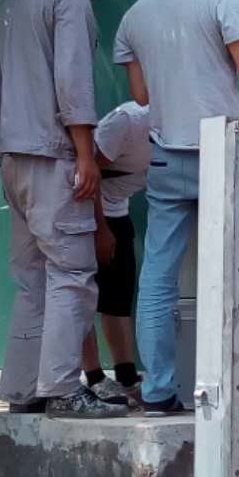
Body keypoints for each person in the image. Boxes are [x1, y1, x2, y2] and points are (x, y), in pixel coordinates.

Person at [112, 0, 239, 416]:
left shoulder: (135, 15)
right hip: (221, 152)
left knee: (158, 276)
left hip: (165, 153)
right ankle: (230, 394)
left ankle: (158, 391)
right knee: (230, 274)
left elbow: (141, 95)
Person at [0, 0, 126, 417]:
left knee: (32, 280)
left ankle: (23, 390)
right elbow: (73, 81)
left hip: (14, 155)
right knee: (72, 273)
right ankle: (64, 388)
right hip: (53, 156)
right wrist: (86, 155)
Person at [78, 100, 155, 403]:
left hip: (119, 211)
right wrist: (100, 228)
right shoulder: (128, 121)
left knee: (118, 298)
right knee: (81, 296)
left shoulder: (180, 129)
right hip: (85, 213)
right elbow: (86, 172)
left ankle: (126, 377)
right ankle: (94, 377)